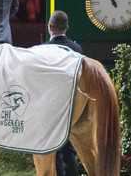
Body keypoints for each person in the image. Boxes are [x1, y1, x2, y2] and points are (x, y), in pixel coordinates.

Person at [43, 11, 82, 176]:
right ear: (67, 27)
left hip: (50, 106)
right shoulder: (77, 48)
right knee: (68, 147)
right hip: (72, 105)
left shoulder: (42, 50)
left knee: (54, 148)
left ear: (50, 27)